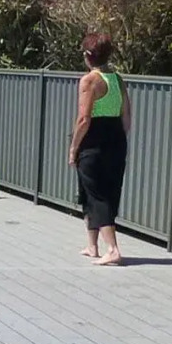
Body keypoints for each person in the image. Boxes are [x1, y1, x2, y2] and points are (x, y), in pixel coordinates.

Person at [70, 32, 132, 266]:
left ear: (88, 56)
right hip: (115, 137)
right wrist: (121, 139)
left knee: (96, 192)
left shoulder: (89, 81)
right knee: (96, 189)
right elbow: (126, 114)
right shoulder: (117, 79)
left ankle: (113, 249)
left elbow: (84, 118)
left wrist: (73, 148)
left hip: (93, 138)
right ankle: (92, 245)